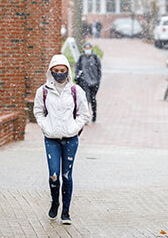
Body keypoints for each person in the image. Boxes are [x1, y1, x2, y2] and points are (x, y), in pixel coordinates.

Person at [33, 54, 90, 225]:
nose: (59, 74)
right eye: (56, 71)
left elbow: (84, 114)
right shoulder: (43, 91)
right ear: (51, 71)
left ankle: (66, 211)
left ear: (67, 71)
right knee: (54, 175)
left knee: (67, 176)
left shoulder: (75, 91)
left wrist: (73, 128)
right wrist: (46, 127)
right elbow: (38, 112)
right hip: (51, 139)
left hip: (70, 139)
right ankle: (54, 202)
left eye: (62, 71)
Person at [75, 41, 102, 122]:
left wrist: (98, 81)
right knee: (86, 99)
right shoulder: (81, 58)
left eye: (89, 48)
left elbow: (99, 70)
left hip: (94, 82)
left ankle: (94, 114)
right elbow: (77, 69)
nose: (87, 50)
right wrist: (77, 77)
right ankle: (86, 117)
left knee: (93, 98)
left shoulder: (95, 58)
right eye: (86, 48)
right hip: (84, 82)